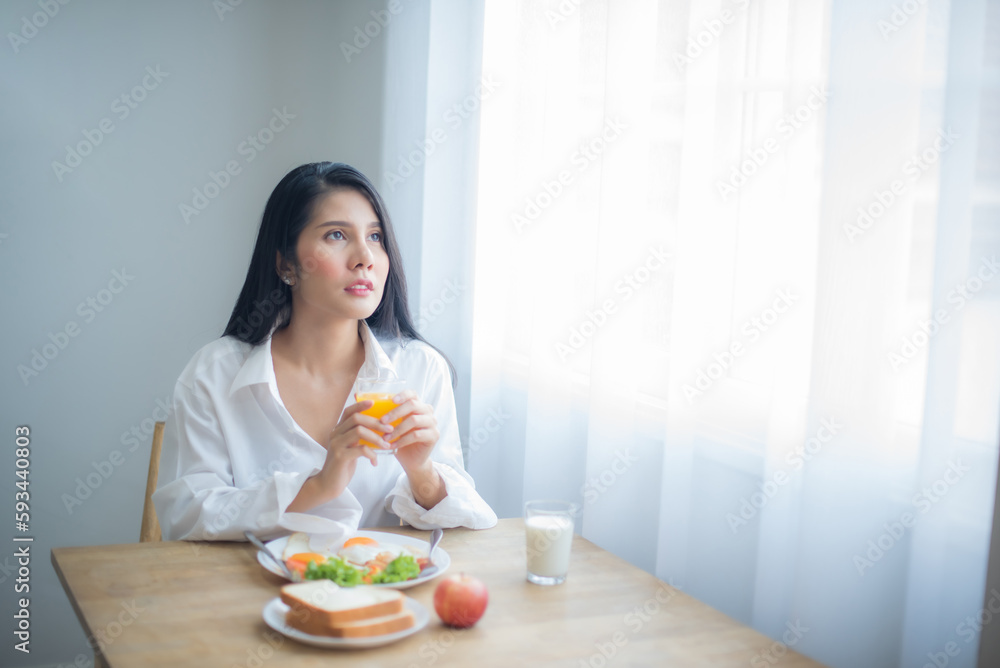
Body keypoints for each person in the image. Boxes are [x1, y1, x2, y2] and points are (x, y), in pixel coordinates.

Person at [153, 162, 497, 543]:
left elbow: (467, 526)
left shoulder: (420, 369)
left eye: (376, 236)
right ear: (287, 264)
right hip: (253, 595)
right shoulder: (215, 374)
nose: (365, 256)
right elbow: (184, 516)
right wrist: (319, 485)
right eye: (336, 235)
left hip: (380, 596)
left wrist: (423, 474)